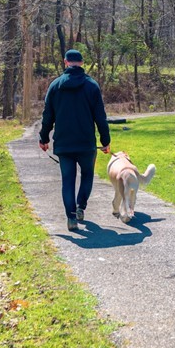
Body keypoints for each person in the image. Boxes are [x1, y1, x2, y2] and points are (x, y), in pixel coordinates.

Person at [39, 49, 111, 231]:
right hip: (86, 143)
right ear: (82, 62)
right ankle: (81, 207)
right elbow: (100, 117)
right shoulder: (92, 86)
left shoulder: (55, 86)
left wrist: (44, 137)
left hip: (64, 144)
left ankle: (71, 218)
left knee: (68, 180)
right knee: (87, 175)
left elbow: (47, 115)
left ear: (65, 62)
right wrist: (105, 140)